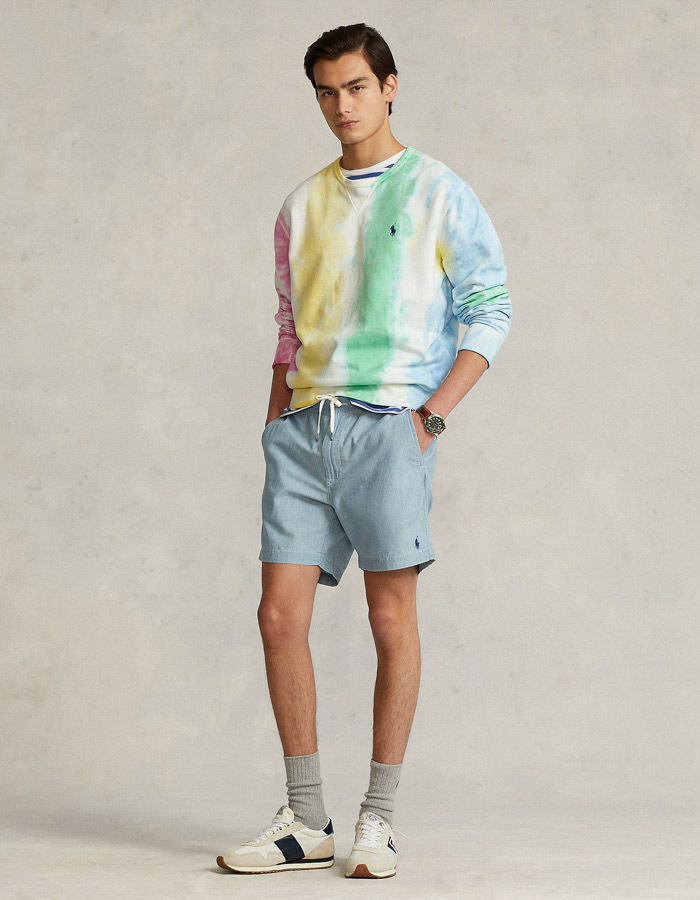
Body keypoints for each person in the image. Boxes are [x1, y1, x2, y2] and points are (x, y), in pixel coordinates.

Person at [217, 22, 512, 879]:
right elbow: (288, 327)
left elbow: (490, 308)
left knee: (390, 619)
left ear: (389, 86)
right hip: (304, 429)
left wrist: (430, 419)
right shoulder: (300, 205)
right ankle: (305, 818)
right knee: (279, 617)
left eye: (355, 87)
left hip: (390, 426)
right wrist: (275, 425)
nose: (341, 105)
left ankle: (377, 819)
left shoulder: (439, 191)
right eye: (326, 91)